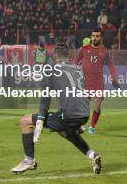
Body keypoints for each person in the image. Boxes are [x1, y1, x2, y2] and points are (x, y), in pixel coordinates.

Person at [11, 44, 102, 175]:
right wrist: (78, 119)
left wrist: (40, 121)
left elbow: (46, 96)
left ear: (54, 55)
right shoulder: (78, 68)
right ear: (69, 56)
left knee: (25, 121)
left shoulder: (51, 68)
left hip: (69, 115)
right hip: (84, 114)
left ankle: (29, 160)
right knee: (65, 131)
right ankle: (92, 155)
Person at [73, 29, 119, 134]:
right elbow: (75, 60)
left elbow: (111, 65)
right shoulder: (83, 49)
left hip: (98, 82)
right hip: (85, 82)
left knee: (97, 106)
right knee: (82, 106)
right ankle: (79, 125)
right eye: (93, 36)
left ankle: (92, 126)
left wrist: (114, 78)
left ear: (101, 38)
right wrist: (74, 71)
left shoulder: (104, 51)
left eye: (97, 36)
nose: (94, 38)